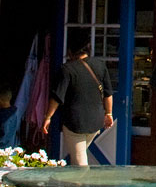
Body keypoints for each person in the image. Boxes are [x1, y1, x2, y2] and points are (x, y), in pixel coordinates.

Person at [43, 29, 113, 166]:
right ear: (88, 47)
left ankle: (83, 185)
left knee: (80, 164)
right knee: (79, 155)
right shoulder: (100, 65)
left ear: (70, 49)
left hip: (75, 122)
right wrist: (109, 113)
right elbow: (108, 93)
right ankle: (73, 184)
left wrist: (48, 117)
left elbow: (57, 97)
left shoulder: (67, 69)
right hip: (95, 121)